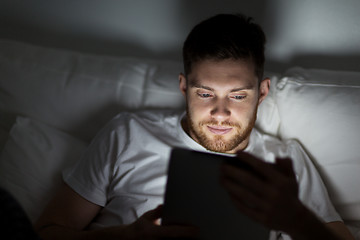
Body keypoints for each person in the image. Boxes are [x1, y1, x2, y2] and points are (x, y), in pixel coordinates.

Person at [34, 13, 355, 240]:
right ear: (184, 87)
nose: (220, 113)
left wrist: (296, 221)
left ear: (262, 93)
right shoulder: (127, 133)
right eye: (205, 93)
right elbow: (49, 231)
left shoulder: (286, 160)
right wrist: (125, 237)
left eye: (238, 95)